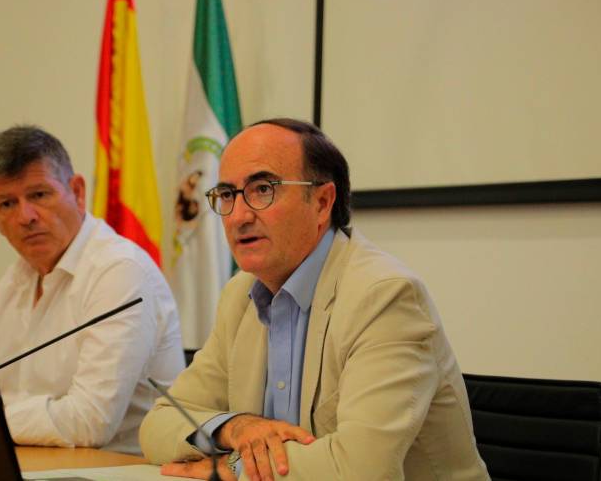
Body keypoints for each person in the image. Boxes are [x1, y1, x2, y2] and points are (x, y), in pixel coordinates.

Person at [139, 118, 489, 480]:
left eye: (262, 189)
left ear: (322, 202)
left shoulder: (385, 296)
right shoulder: (239, 295)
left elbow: (361, 470)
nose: (239, 216)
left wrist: (231, 466)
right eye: (227, 195)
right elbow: (160, 424)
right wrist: (236, 428)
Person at [0, 125, 184, 454]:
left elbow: (91, 422)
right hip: (37, 465)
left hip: (121, 472)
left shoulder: (119, 270)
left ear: (77, 191)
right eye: (7, 204)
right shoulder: (13, 283)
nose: (25, 216)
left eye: (39, 195)